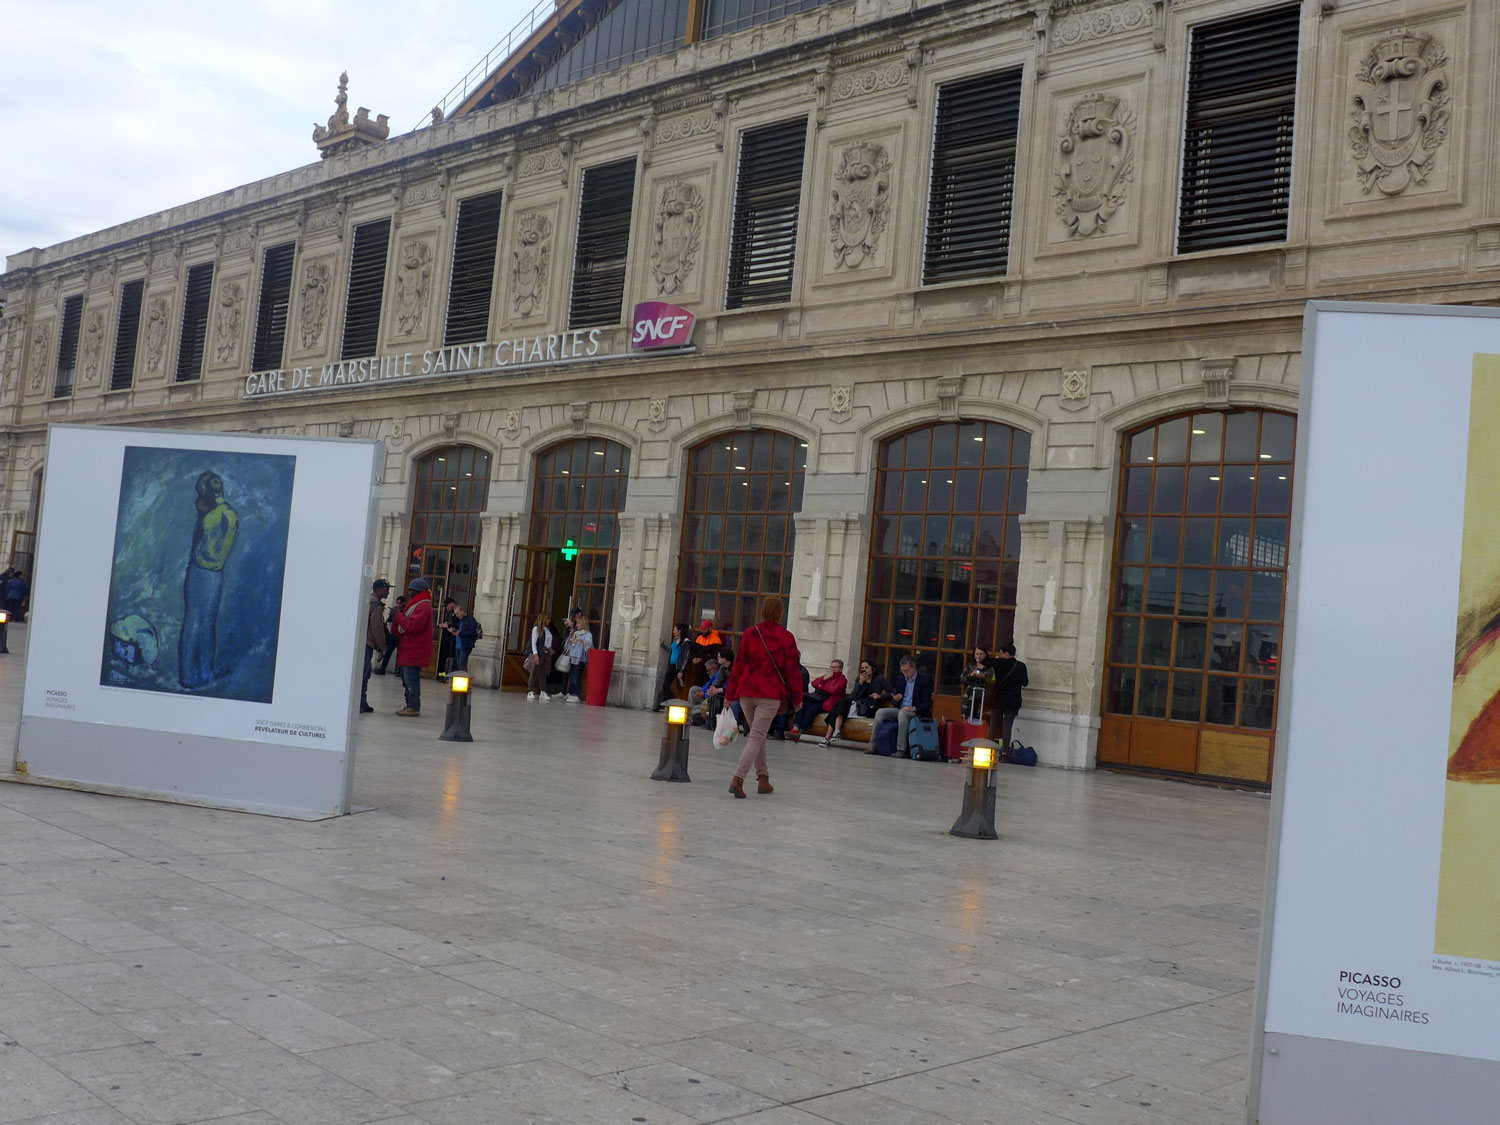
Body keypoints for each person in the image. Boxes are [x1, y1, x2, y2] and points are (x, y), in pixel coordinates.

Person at [724, 595, 802, 798]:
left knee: (757, 737)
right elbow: (792, 671)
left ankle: (763, 779)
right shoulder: (786, 637)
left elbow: (738, 666)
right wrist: (797, 698)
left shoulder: (751, 633)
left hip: (746, 692)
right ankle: (738, 778)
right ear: (780, 612)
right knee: (757, 736)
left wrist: (730, 694)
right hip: (768, 693)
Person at [180, 473, 238, 690]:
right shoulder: (231, 516)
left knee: (192, 622)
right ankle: (206, 673)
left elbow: (199, 546)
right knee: (208, 625)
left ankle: (187, 677)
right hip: (216, 575)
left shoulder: (207, 516)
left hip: (199, 571)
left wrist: (201, 515)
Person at [870, 655, 933, 758]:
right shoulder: (901, 679)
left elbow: (928, 703)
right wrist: (895, 699)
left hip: (916, 712)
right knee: (881, 712)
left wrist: (913, 708)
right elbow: (895, 699)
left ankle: (901, 749)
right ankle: (873, 744)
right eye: (903, 671)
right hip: (901, 709)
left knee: (903, 714)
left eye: (907, 670)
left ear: (913, 667)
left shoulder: (924, 681)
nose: (905, 673)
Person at [820, 659, 889, 746]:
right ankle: (835, 732)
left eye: (867, 668)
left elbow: (892, 692)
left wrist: (880, 696)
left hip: (869, 708)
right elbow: (853, 696)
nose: (864, 670)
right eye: (862, 668)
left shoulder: (879, 678)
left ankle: (828, 737)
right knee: (842, 703)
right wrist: (860, 683)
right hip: (857, 706)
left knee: (838, 707)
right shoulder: (859, 678)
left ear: (873, 669)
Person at [391, 576, 433, 716]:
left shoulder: (423, 606)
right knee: (407, 678)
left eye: (411, 591)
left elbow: (414, 625)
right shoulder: (419, 604)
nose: (409, 593)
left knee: (411, 679)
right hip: (410, 648)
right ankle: (410, 704)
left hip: (414, 649)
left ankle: (413, 707)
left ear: (417, 592)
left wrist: (398, 616)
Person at [790, 659, 847, 740]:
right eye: (831, 667)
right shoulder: (828, 676)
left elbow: (832, 689)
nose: (832, 669)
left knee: (811, 710)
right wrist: (824, 679)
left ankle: (801, 730)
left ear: (840, 669)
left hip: (829, 702)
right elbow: (814, 683)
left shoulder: (842, 679)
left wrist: (821, 686)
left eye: (835, 667)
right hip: (819, 698)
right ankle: (795, 726)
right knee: (804, 704)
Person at [986, 642, 1028, 747]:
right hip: (1014, 699)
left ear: (1006, 653)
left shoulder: (999, 663)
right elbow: (1025, 683)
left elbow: (984, 661)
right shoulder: (1021, 666)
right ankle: (1004, 753)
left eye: (1000, 653)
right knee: (1007, 726)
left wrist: (996, 659)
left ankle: (987, 749)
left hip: (1000, 698)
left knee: (993, 725)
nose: (999, 655)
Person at [361, 579, 390, 714]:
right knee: (364, 673)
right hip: (367, 643)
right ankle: (361, 702)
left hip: (363, 642)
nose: (388, 592)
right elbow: (377, 628)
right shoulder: (375, 605)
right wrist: (381, 648)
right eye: (386, 589)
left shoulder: (369, 600)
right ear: (378, 589)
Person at [654, 623, 691, 711]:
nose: (673, 631)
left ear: (679, 631)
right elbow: (671, 650)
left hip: (678, 668)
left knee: (680, 688)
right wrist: (662, 645)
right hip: (671, 666)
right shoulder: (675, 640)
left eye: (675, 630)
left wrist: (682, 671)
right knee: (665, 685)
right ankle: (668, 703)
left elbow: (686, 657)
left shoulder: (686, 642)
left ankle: (679, 706)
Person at [961, 646, 996, 725]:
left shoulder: (990, 668)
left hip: (983, 700)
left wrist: (984, 677)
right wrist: (971, 675)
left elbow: (993, 682)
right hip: (969, 698)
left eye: (981, 654)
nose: (979, 656)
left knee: (979, 722)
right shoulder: (970, 666)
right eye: (977, 654)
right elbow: (962, 680)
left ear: (985, 655)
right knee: (967, 722)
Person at [564, 612, 594, 702]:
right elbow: (567, 645)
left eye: (579, 623)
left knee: (576, 677)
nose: (577, 625)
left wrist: (581, 640)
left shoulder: (588, 634)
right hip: (572, 657)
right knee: (572, 676)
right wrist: (570, 637)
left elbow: (589, 645)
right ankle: (572, 693)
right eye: (577, 623)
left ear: (583, 624)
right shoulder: (576, 633)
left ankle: (576, 694)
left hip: (580, 658)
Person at [526, 612, 555, 700]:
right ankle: (530, 690)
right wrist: (535, 655)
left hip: (546, 653)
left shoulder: (547, 629)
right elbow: (533, 642)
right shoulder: (536, 629)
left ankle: (543, 691)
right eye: (548, 619)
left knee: (543, 672)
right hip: (539, 652)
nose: (549, 621)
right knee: (534, 672)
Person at [375, 595, 403, 675]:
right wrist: (388, 622)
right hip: (393, 635)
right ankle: (382, 669)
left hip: (400, 635)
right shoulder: (394, 611)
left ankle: (400, 670)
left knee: (401, 653)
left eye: (400, 603)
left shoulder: (404, 611)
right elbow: (389, 619)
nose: (398, 605)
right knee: (388, 653)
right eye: (397, 602)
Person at [451, 603, 479, 671]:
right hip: (458, 645)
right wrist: (455, 631)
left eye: (458, 613)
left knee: (462, 663)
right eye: (455, 614)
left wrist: (460, 633)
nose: (457, 615)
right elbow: (459, 630)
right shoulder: (460, 620)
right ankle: (462, 678)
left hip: (465, 645)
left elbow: (473, 632)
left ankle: (464, 679)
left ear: (462, 611)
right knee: (459, 664)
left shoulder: (471, 620)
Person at [436, 597, 458, 680]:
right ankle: (442, 675)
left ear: (451, 603)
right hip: (446, 638)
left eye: (447, 606)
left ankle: (448, 675)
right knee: (444, 657)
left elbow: (454, 624)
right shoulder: (449, 613)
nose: (447, 608)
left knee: (450, 657)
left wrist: (446, 625)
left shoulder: (456, 612)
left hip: (452, 639)